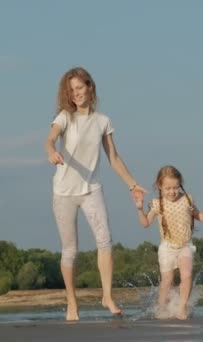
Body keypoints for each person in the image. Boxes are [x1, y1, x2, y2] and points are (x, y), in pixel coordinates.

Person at [45, 66, 146, 321]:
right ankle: (72, 302)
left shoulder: (103, 121)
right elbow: (50, 138)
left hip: (91, 189)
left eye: (80, 87)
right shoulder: (65, 117)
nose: (76, 93)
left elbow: (113, 157)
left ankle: (107, 296)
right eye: (71, 90)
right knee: (70, 251)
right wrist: (51, 151)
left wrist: (132, 184)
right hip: (64, 193)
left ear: (90, 87)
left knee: (105, 241)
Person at [135, 165, 203, 320]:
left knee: (187, 275)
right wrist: (140, 209)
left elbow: (196, 214)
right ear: (160, 186)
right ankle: (161, 309)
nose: (172, 191)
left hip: (185, 245)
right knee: (167, 282)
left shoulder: (187, 199)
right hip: (167, 247)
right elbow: (145, 223)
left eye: (175, 187)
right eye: (168, 188)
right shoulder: (157, 204)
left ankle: (182, 307)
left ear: (180, 185)